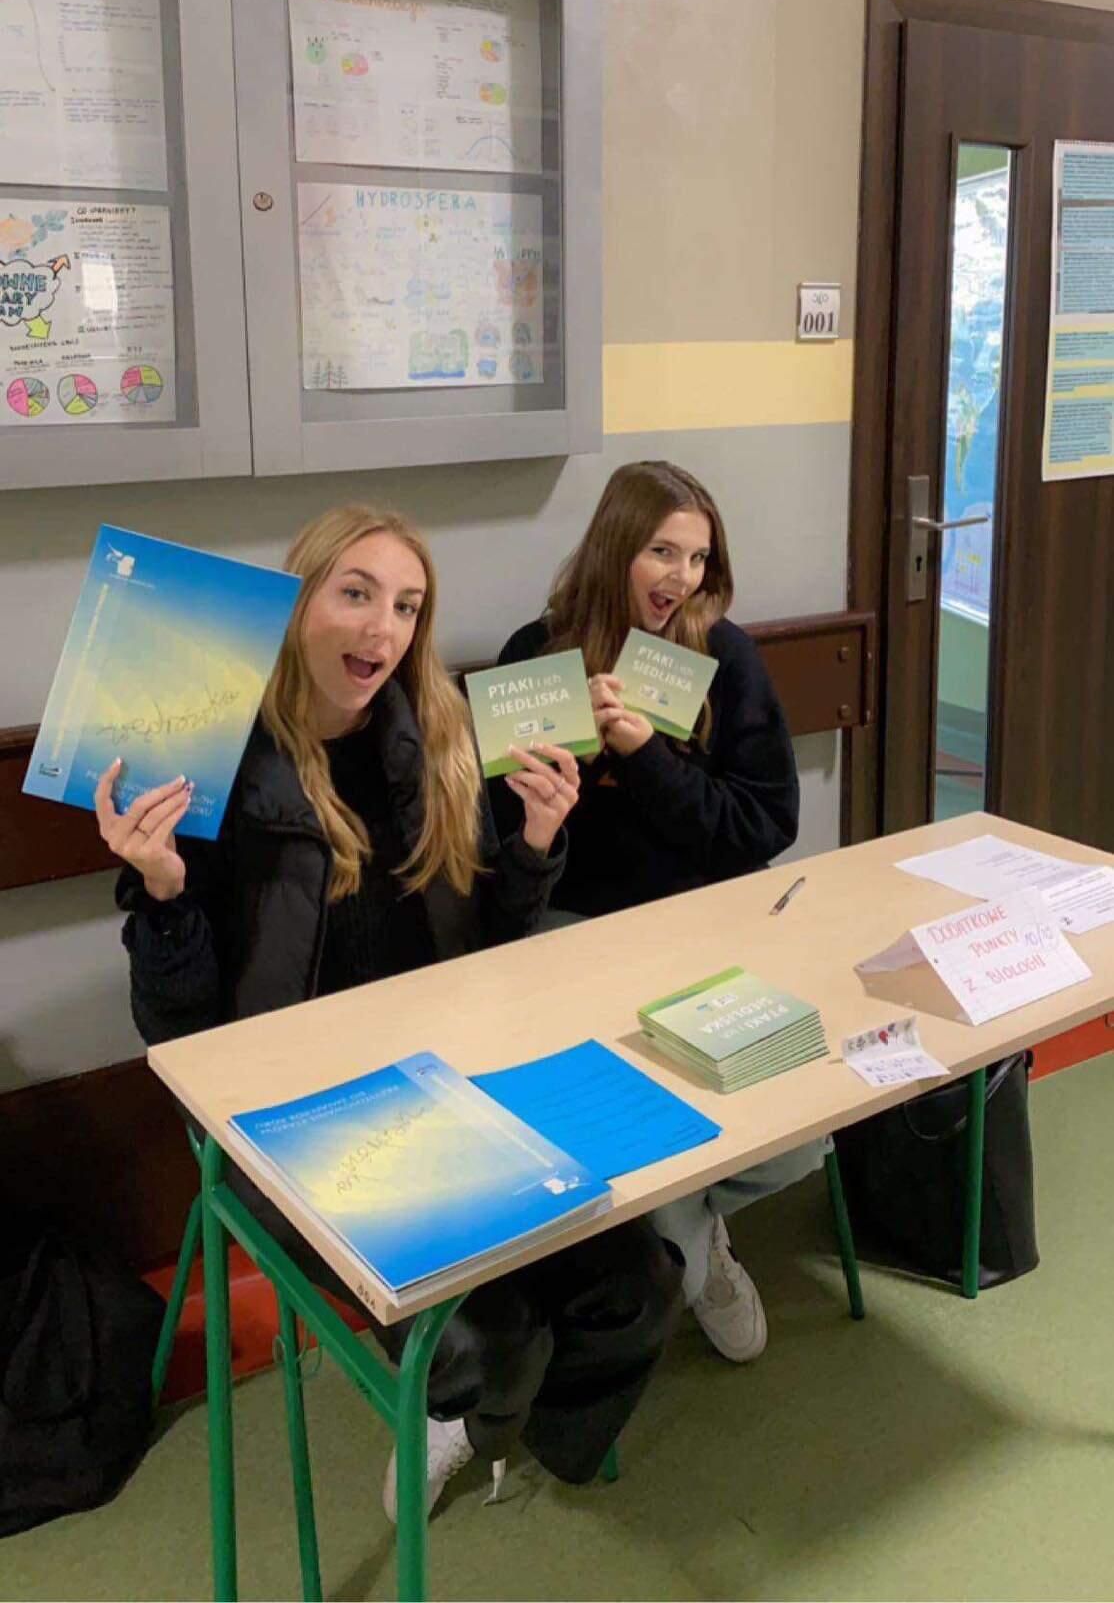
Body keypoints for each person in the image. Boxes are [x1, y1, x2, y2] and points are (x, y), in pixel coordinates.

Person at [101, 504, 682, 1516]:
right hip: (303, 1113)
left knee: (640, 1283)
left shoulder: (439, 736)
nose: (383, 629)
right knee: (492, 1336)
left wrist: (535, 844)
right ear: (296, 605)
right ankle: (471, 1407)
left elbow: (489, 952)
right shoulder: (210, 760)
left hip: (451, 1077)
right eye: (357, 594)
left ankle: (508, 1428)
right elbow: (178, 1033)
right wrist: (161, 890)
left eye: (407, 607)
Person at [499, 460, 825, 1366]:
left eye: (697, 557)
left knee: (806, 1140)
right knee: (637, 1114)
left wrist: (647, 759)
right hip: (573, 933)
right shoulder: (538, 656)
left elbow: (765, 825)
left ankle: (684, 1226)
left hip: (702, 926)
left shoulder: (723, 657)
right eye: (661, 551)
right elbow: (494, 847)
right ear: (616, 549)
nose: (681, 576)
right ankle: (689, 1248)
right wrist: (557, 786)